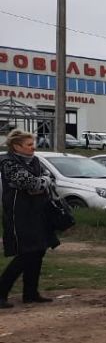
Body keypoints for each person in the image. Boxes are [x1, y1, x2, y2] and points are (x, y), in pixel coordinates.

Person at [0, 129, 59, 308]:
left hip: (38, 212)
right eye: (29, 145)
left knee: (39, 250)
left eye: (33, 144)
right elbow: (30, 183)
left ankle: (31, 293)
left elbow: (50, 178)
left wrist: (42, 182)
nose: (33, 148)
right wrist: (42, 182)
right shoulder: (8, 162)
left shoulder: (35, 161)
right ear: (17, 146)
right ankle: (1, 292)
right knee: (26, 254)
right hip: (19, 214)